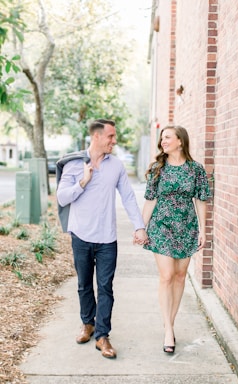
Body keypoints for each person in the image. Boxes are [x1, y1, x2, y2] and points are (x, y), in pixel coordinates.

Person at [57, 119, 148, 359]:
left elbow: (128, 197)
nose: (114, 141)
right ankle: (87, 324)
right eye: (111, 136)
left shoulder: (115, 165)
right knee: (84, 285)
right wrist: (83, 181)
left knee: (105, 288)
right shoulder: (75, 164)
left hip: (107, 238)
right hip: (81, 235)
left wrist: (139, 226)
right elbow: (62, 197)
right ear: (97, 137)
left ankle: (102, 335)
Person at [135, 125, 211, 354]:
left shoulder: (196, 170)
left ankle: (171, 322)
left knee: (179, 277)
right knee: (166, 276)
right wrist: (141, 227)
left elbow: (201, 200)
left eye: (167, 137)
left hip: (186, 227)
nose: (163, 141)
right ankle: (168, 329)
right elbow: (150, 200)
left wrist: (202, 229)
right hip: (161, 226)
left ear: (180, 141)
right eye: (162, 138)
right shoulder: (159, 168)